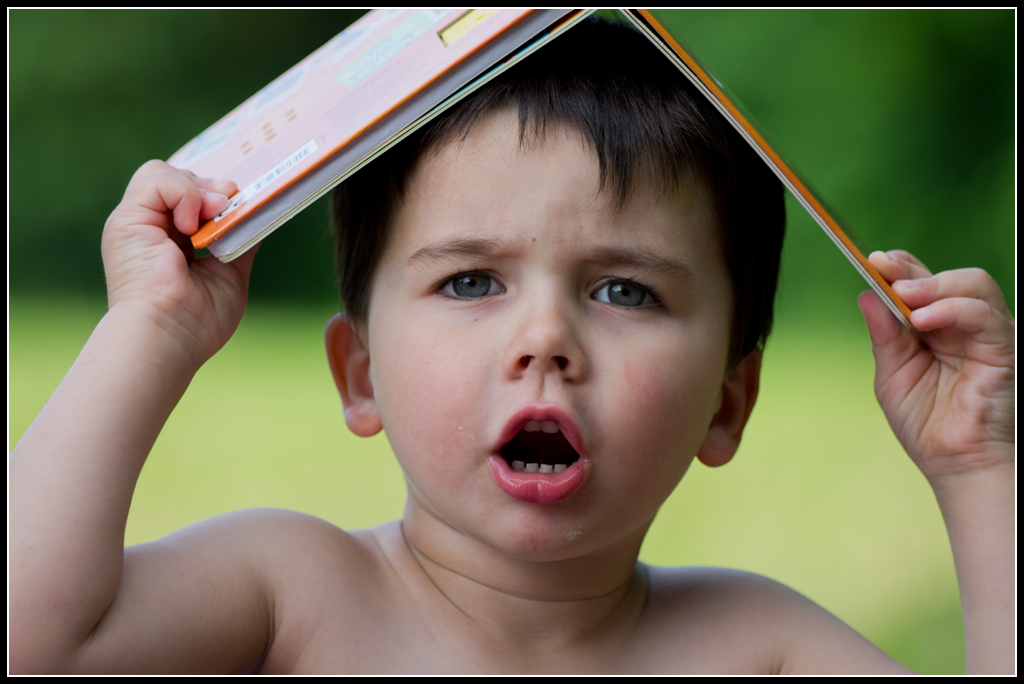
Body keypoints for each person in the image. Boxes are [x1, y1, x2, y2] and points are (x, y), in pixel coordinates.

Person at [9, 19, 1013, 674]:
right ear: (360, 375)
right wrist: (152, 329)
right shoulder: (295, 593)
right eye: (471, 282)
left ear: (725, 402)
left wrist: (979, 469)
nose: (545, 340)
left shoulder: (757, 648)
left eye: (625, 290)